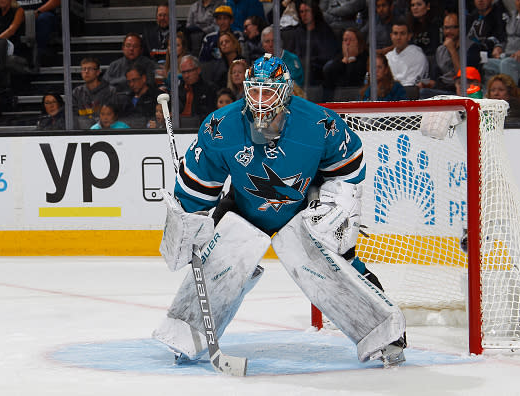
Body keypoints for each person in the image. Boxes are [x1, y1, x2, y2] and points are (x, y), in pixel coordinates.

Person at [154, 53, 407, 368]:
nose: (261, 99)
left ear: (286, 91)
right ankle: (187, 331)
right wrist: (190, 223)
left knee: (337, 260)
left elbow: (349, 164)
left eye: (269, 90)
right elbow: (197, 183)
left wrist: (338, 204)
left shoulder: (319, 123)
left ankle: (385, 332)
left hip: (304, 203)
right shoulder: (221, 126)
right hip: (244, 206)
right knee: (218, 257)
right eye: (255, 89)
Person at [482, 0, 520, 85]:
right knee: (487, 64)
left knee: (507, 64)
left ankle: (510, 96)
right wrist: (499, 47)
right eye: (518, 0)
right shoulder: (513, 16)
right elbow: (507, 38)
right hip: (509, 56)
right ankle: (489, 96)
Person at [293, 0, 340, 86]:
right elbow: (296, 53)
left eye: (307, 11)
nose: (304, 14)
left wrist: (310, 60)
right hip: (302, 66)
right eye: (301, 12)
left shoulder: (324, 30)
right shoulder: (298, 32)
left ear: (314, 12)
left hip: (319, 67)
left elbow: (327, 54)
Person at [419, 12, 460, 98]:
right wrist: (427, 84)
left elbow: (464, 76)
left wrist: (452, 50)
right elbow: (435, 79)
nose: (448, 31)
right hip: (443, 89)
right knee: (422, 91)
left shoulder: (470, 48)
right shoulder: (440, 50)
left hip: (460, 89)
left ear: (460, 28)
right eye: (446, 28)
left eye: (453, 27)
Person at [385, 18, 428, 96]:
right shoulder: (387, 57)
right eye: (395, 33)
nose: (398, 37)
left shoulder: (418, 56)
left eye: (402, 33)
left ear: (409, 36)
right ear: (391, 36)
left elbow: (412, 85)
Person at [322, 28, 368, 101]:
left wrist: (351, 58)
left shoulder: (365, 58)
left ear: (359, 43)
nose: (347, 43)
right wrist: (344, 61)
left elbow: (352, 80)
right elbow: (328, 75)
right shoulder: (339, 58)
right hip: (336, 98)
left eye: (351, 40)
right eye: (345, 40)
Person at [72, 57, 116, 129]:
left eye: (90, 69)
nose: (86, 71)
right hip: (82, 134)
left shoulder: (110, 91)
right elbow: (73, 117)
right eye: (84, 69)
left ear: (98, 72)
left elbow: (112, 117)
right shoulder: (76, 92)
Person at [17, 0, 61, 65]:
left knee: (43, 19)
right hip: (20, 15)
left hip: (43, 13)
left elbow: (57, 1)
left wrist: (38, 11)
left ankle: (39, 54)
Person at [466, 0, 507, 68]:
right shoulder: (471, 17)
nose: (480, 1)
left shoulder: (498, 16)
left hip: (487, 55)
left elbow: (501, 39)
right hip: (468, 54)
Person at [177, 54, 218, 122]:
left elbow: (211, 115)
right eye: (183, 72)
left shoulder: (210, 89)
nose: (186, 75)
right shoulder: (178, 90)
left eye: (189, 71)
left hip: (199, 126)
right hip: (179, 127)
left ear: (198, 70)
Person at [118, 63, 160, 128]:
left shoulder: (157, 96)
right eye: (129, 81)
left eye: (134, 80)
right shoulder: (126, 99)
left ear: (143, 78)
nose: (131, 84)